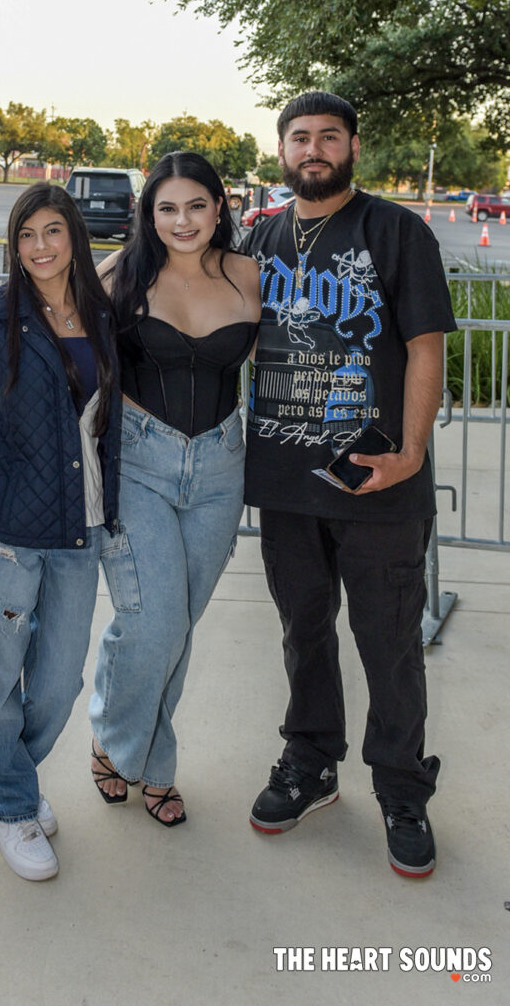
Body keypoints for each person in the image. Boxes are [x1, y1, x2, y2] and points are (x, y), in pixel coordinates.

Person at [240, 92, 456, 877]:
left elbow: (425, 349)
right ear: (282, 149)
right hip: (285, 477)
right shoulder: (259, 235)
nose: (314, 149)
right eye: (300, 137)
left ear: (353, 146)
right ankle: (311, 760)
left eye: (329, 136)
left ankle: (402, 788)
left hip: (379, 480)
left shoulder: (397, 231)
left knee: (389, 641)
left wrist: (410, 449)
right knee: (304, 630)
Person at [0, 181, 120, 880]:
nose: (40, 247)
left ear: (74, 237)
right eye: (26, 235)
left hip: (82, 528)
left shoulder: (104, 316)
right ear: (13, 245)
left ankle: (14, 778)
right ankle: (12, 805)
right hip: (9, 529)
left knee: (58, 680)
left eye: (53, 231)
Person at [89, 151, 260, 826]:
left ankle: (124, 746)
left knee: (175, 625)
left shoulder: (247, 273)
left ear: (220, 207)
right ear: (147, 214)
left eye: (196, 205)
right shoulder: (118, 275)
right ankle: (144, 759)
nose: (182, 221)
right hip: (139, 463)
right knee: (152, 620)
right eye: (167, 208)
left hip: (221, 468)